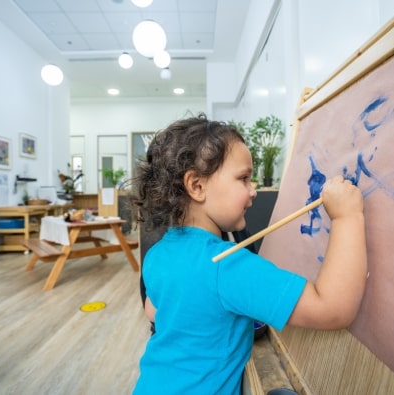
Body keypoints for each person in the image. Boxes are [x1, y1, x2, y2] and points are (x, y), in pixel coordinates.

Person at [132, 114, 367, 395]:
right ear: (196, 186)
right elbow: (333, 310)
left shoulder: (159, 254)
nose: (253, 191)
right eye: (243, 178)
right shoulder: (227, 266)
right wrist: (346, 217)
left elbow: (154, 309)